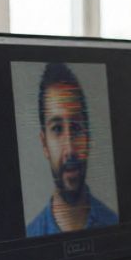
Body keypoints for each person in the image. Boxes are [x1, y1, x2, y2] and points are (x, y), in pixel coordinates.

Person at [26, 62, 118, 236]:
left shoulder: (115, 224)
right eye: (57, 129)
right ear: (45, 144)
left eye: (76, 128)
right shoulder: (31, 235)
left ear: (88, 136)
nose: (69, 148)